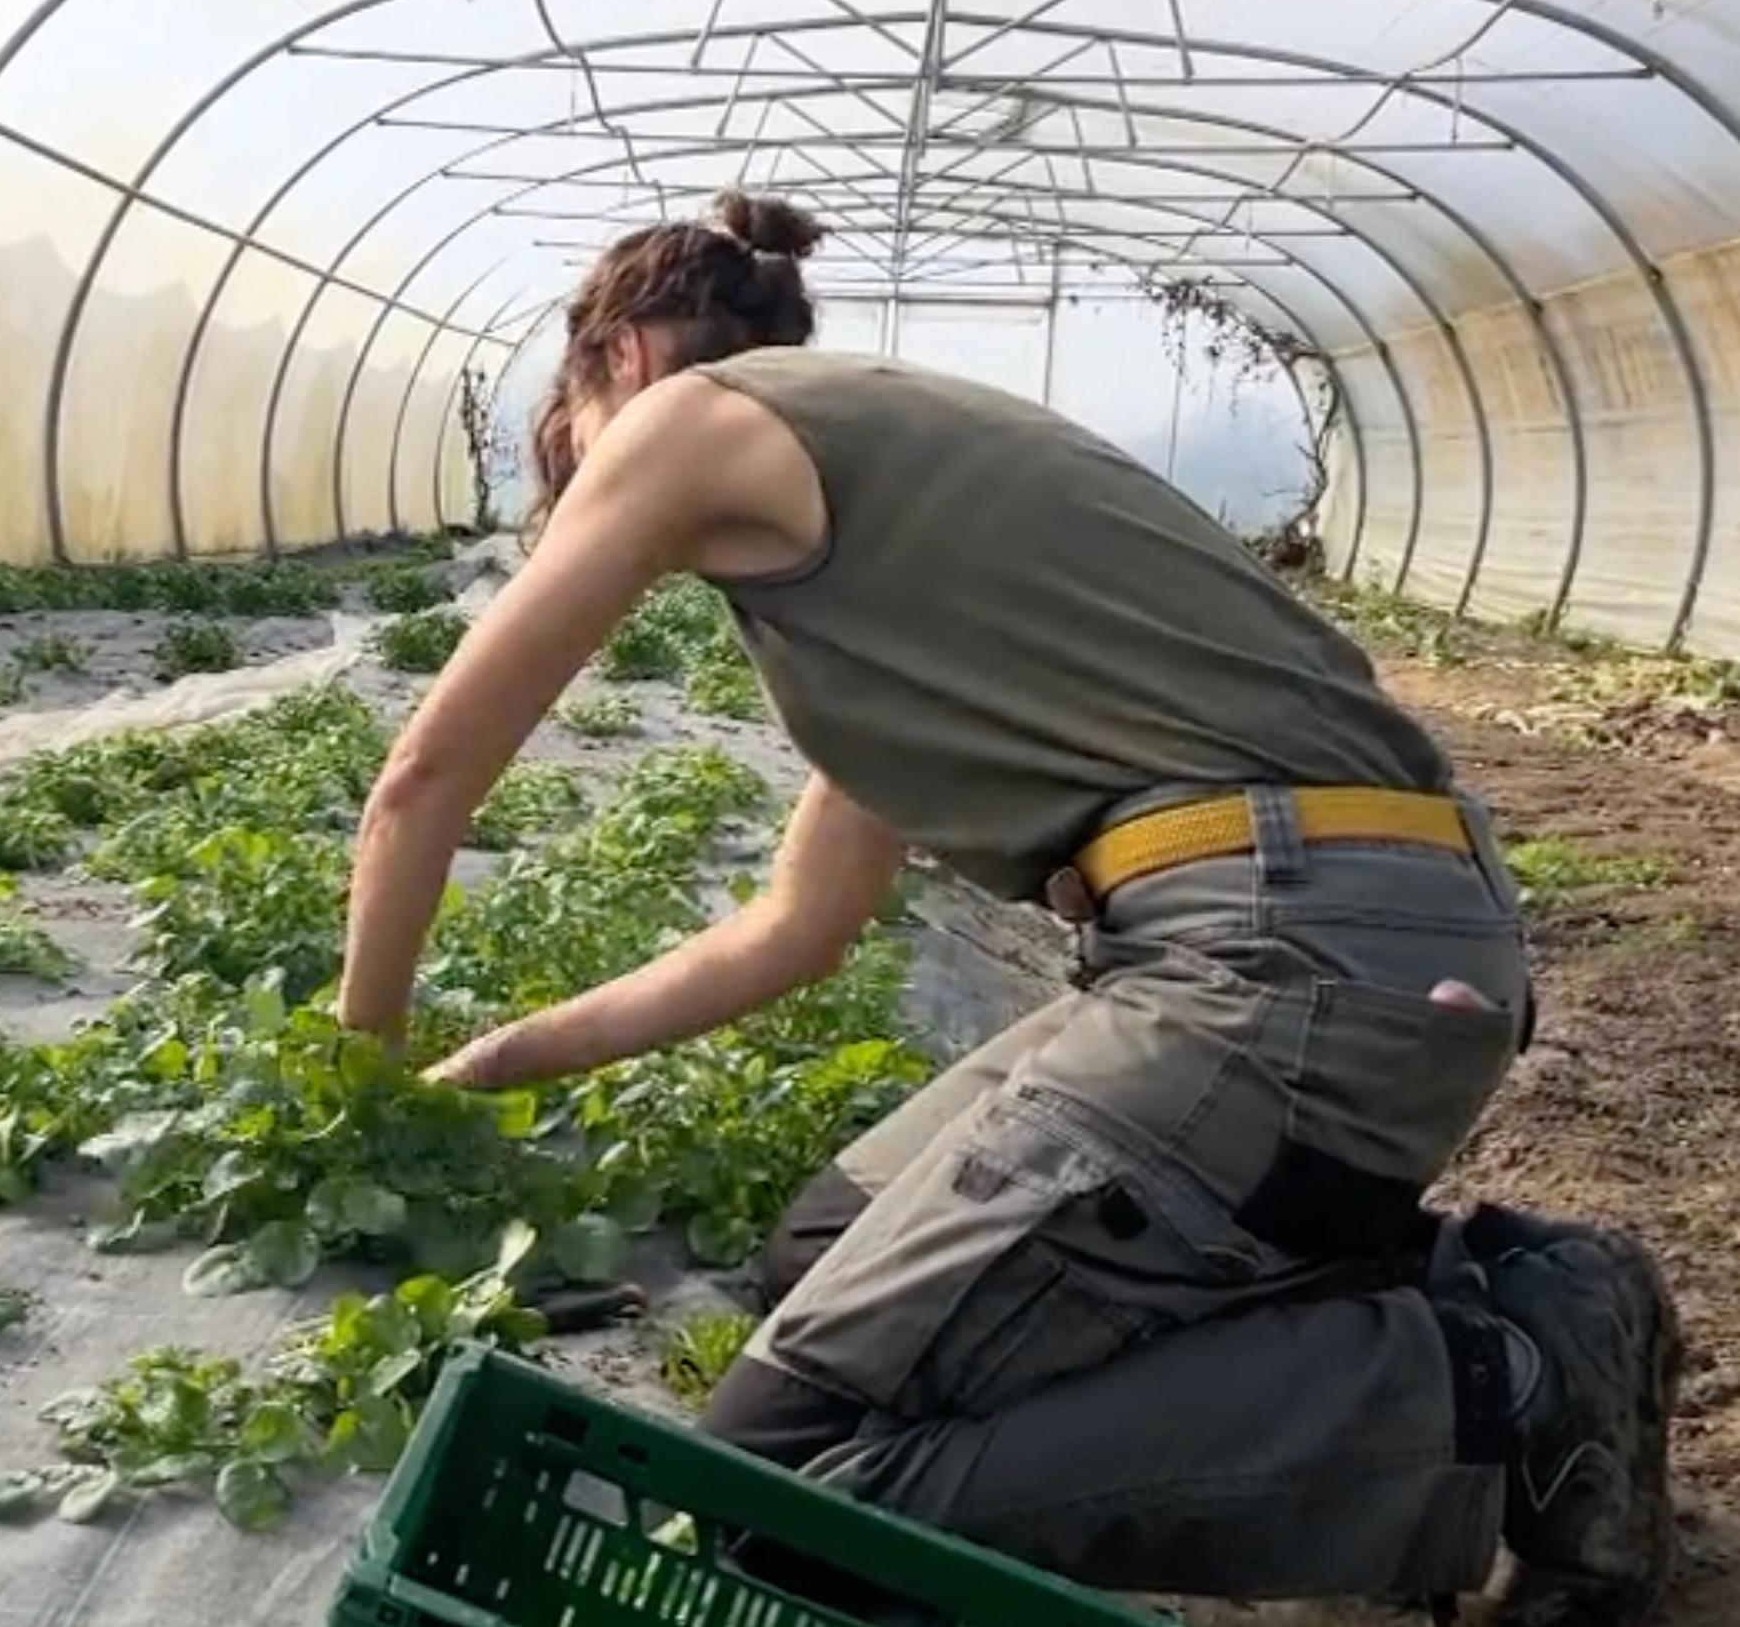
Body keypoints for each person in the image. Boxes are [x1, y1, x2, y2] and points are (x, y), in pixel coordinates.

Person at [330, 189, 1682, 1624]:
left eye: (570, 420)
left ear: (621, 356)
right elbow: (793, 927)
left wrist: (356, 1066)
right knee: (823, 1251)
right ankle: (1459, 1293)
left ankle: (1502, 1377)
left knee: (786, 1491)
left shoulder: (689, 420)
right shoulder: (901, 519)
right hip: (1345, 936)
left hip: (1285, 965)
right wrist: (506, 1054)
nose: (581, 486)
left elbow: (425, 775)